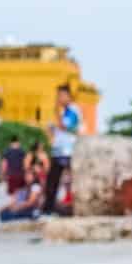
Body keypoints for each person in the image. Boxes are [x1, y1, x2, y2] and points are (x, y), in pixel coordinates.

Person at [44, 85, 81, 214]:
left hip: (68, 151)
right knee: (52, 181)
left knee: (68, 180)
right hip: (58, 151)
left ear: (69, 97)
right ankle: (49, 207)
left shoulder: (73, 110)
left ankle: (70, 206)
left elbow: (65, 126)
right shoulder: (64, 112)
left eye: (61, 96)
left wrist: (55, 111)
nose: (59, 99)